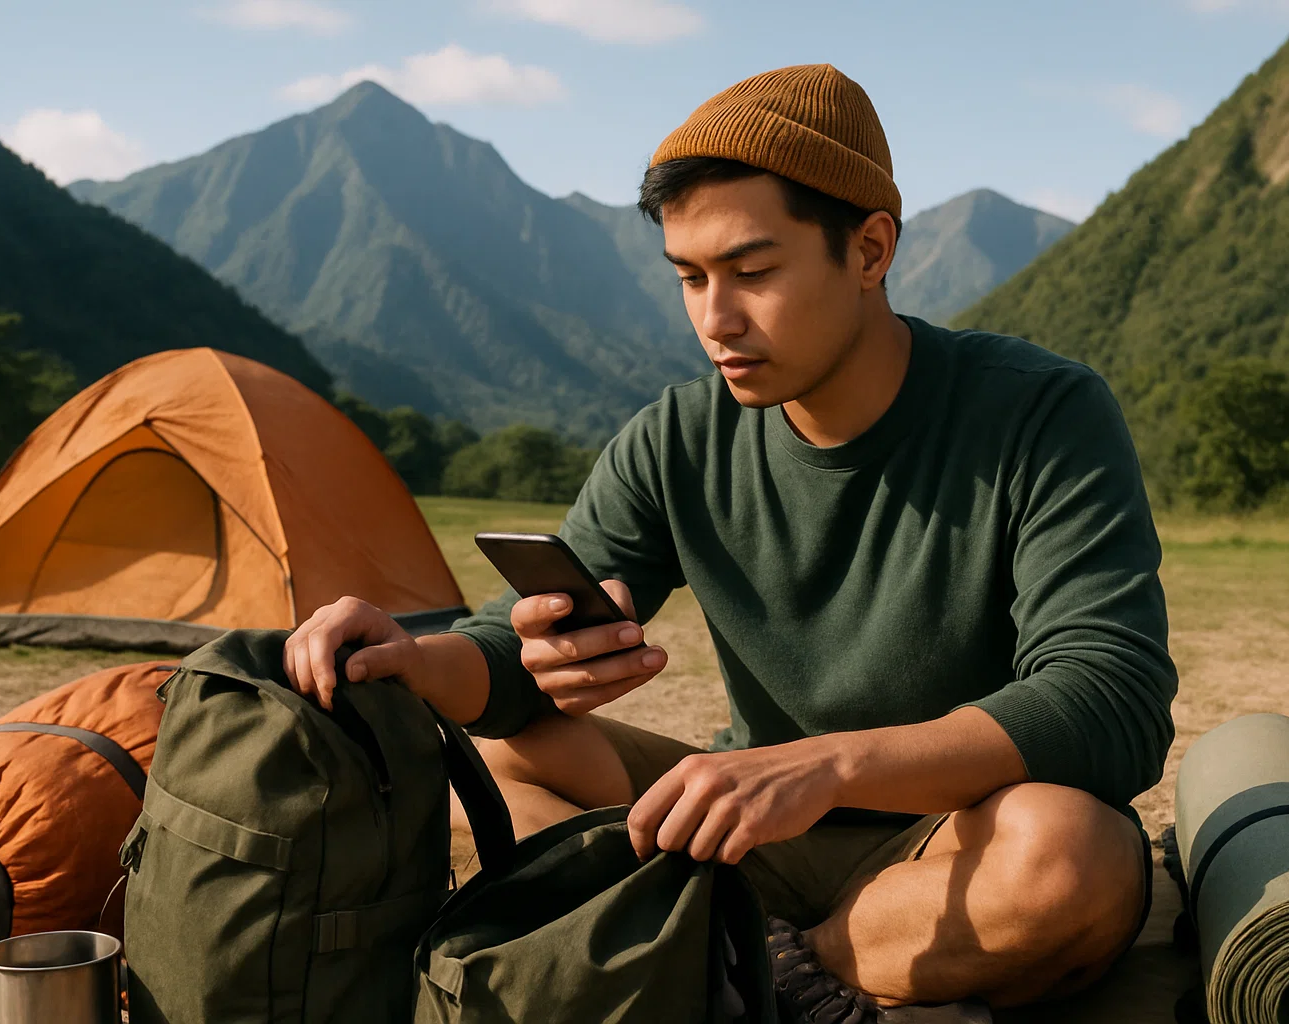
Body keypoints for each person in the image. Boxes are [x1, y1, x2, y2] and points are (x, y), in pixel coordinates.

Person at [284, 63, 1177, 1022]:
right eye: (690, 279)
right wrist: (414, 657)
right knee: (503, 756)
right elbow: (510, 653)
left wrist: (829, 764)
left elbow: (1109, 695)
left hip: (956, 834)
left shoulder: (1040, 412)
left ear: (870, 249)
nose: (716, 320)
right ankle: (776, 970)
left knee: (1068, 856)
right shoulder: (679, 437)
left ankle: (767, 971)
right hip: (748, 842)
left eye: (753, 273)